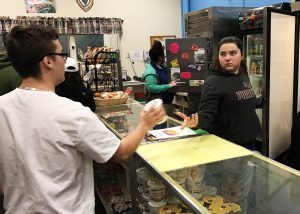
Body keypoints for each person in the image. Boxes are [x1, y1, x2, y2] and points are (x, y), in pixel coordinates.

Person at [0, 25, 165, 214]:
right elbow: (120, 153)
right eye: (62, 55)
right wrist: (145, 124)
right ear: (48, 62)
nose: (65, 60)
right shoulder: (71, 112)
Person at [177, 36, 260, 150]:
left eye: (233, 53)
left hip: (249, 142)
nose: (227, 58)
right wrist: (196, 122)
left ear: (242, 56)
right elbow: (207, 113)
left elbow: (247, 100)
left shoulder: (242, 74)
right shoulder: (213, 82)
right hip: (226, 146)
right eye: (223, 54)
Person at [142, 40, 177, 115]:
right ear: (160, 58)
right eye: (163, 56)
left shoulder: (161, 67)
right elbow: (151, 88)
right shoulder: (150, 71)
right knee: (160, 126)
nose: (164, 57)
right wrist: (169, 85)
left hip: (167, 103)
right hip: (158, 106)